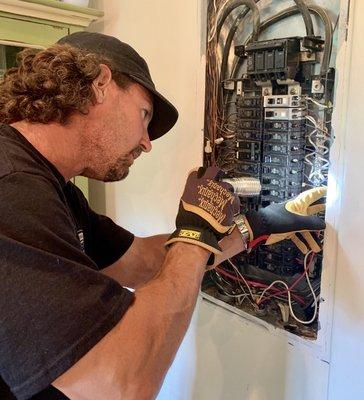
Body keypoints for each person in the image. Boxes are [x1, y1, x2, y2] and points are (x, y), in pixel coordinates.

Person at [0, 32, 326, 400]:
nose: (146, 142)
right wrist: (193, 233)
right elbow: (119, 386)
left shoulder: (50, 186)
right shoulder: (11, 189)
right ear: (100, 84)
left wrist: (260, 224)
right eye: (144, 115)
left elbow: (142, 262)